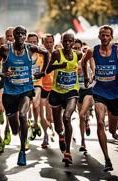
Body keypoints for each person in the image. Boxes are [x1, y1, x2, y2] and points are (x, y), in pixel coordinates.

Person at [0, 26, 49, 166]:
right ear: (14, 36)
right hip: (9, 92)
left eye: (23, 34)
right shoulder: (5, 49)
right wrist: (2, 75)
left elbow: (46, 53)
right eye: (18, 34)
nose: (21, 36)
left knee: (23, 115)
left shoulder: (31, 48)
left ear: (26, 36)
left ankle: (22, 151)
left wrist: (43, 72)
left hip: (26, 90)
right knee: (15, 129)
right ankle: (19, 130)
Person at [81, 25, 118, 172]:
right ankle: (107, 159)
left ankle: (115, 128)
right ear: (99, 36)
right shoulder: (93, 51)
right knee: (100, 122)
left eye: (107, 35)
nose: (104, 38)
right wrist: (86, 76)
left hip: (115, 93)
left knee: (112, 129)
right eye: (102, 35)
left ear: (111, 37)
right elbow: (84, 62)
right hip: (99, 91)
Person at [44, 33, 82, 165]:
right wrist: (58, 66)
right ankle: (61, 135)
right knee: (58, 125)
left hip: (72, 92)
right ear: (62, 41)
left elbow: (88, 60)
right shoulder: (56, 54)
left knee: (66, 117)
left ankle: (67, 152)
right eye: (65, 41)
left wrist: (88, 75)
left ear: (73, 42)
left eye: (70, 41)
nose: (67, 44)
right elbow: (48, 70)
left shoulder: (78, 55)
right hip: (56, 92)